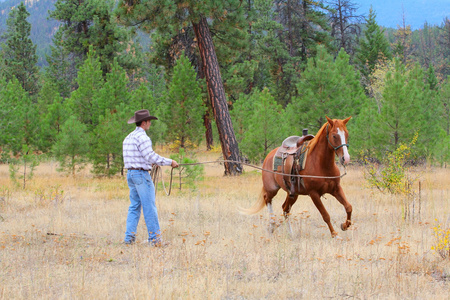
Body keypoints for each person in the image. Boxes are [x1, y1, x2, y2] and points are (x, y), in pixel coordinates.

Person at [123, 109, 179, 246]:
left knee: (135, 206)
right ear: (144, 122)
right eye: (149, 121)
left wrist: (150, 162)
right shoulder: (143, 137)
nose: (150, 124)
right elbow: (150, 156)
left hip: (130, 174)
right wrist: (169, 162)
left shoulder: (128, 137)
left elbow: (140, 157)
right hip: (141, 175)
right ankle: (155, 239)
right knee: (149, 206)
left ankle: (129, 237)